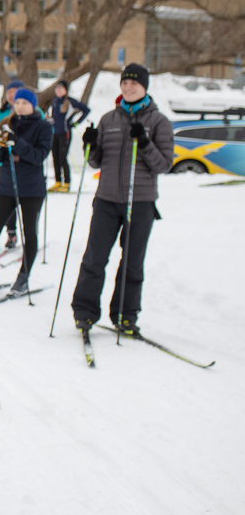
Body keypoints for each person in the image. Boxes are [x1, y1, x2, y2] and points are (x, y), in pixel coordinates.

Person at [71, 63, 173, 336]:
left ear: (144, 87)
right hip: (106, 200)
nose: (128, 88)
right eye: (124, 83)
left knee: (132, 263)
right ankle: (84, 312)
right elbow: (95, 162)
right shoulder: (108, 119)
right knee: (94, 259)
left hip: (140, 202)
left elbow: (164, 165)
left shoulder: (159, 122)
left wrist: (146, 143)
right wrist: (90, 144)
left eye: (134, 83)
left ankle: (125, 316)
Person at [0, 88, 53, 295]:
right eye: (17, 102)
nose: (20, 106)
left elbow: (39, 156)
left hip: (32, 190)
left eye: (24, 103)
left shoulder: (43, 127)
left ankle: (23, 277)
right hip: (6, 187)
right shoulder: (7, 123)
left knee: (29, 234)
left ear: (33, 105)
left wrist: (17, 143)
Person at [0, 80, 28, 249]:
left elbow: (43, 137)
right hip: (6, 163)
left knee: (25, 201)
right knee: (8, 201)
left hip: (27, 164)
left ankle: (28, 235)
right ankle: (11, 233)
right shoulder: (0, 114)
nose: (11, 95)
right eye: (9, 92)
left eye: (15, 91)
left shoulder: (32, 110)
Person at [48, 80, 89, 192]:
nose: (58, 90)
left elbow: (86, 110)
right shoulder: (55, 101)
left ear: (65, 90)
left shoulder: (70, 101)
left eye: (61, 88)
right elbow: (55, 116)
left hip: (65, 133)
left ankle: (67, 182)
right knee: (55, 157)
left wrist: (76, 122)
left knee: (62, 157)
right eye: (57, 88)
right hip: (55, 132)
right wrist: (50, 120)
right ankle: (58, 181)